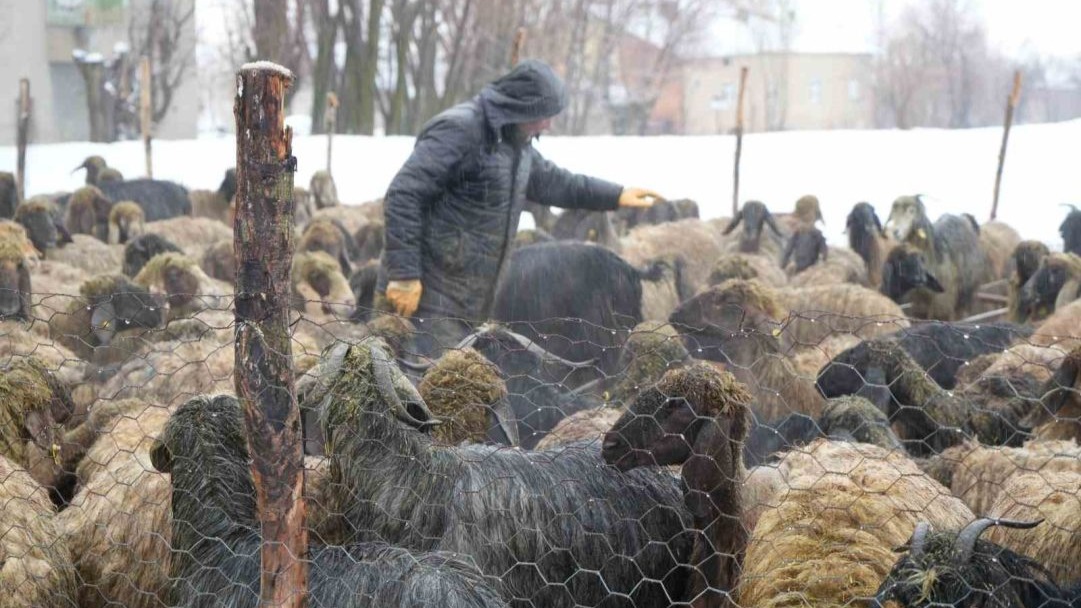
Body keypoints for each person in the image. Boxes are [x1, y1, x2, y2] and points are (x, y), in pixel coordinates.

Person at [377, 59, 661, 354]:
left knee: (459, 375)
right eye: (545, 115)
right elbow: (404, 194)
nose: (548, 124)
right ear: (522, 107)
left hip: (471, 298)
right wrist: (404, 275)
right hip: (429, 294)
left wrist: (616, 195)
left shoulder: (515, 144)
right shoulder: (461, 130)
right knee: (430, 376)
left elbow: (557, 183)